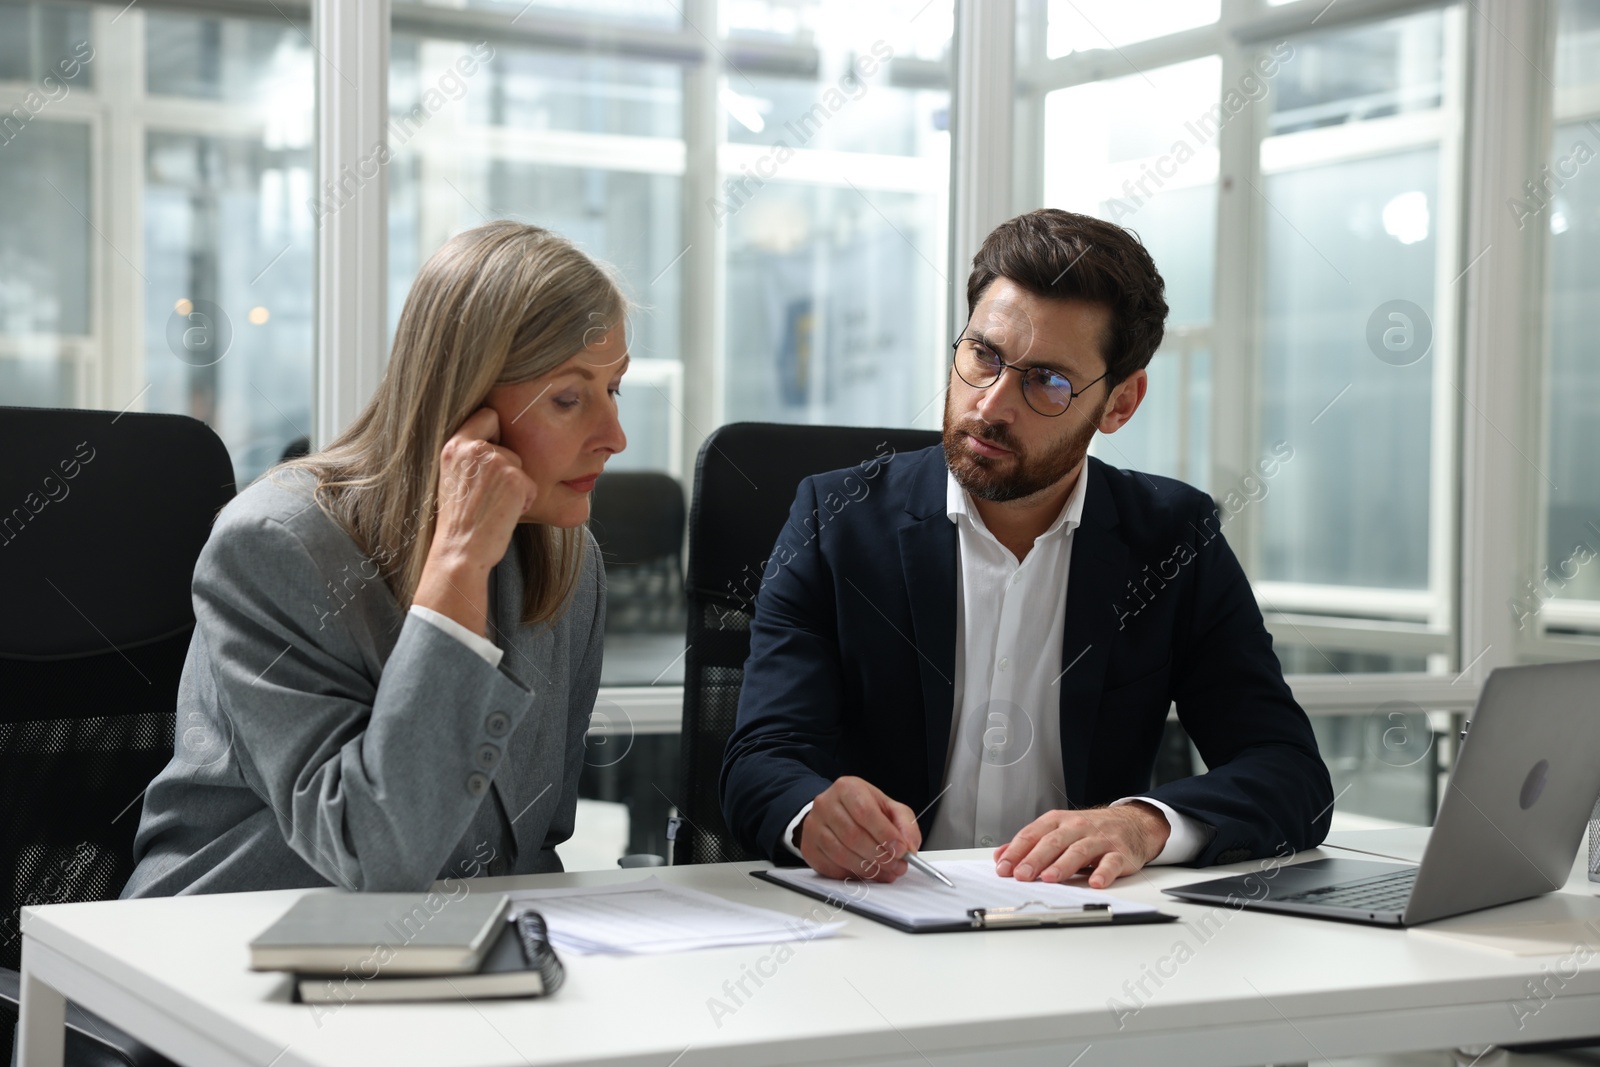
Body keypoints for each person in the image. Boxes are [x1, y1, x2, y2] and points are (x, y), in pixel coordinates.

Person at [721, 208, 1333, 889]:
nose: (991, 405)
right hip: (877, 921)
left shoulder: (1173, 541)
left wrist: (1143, 824)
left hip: (1082, 927)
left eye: (1046, 380)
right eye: (983, 354)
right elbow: (759, 762)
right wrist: (812, 813)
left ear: (1121, 403)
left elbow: (1290, 773)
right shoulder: (835, 522)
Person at [123, 221, 628, 896]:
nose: (614, 436)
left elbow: (531, 847)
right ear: (467, 401)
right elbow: (378, 852)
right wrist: (457, 569)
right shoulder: (275, 544)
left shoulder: (568, 557)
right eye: (569, 397)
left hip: (438, 960)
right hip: (225, 946)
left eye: (614, 389)